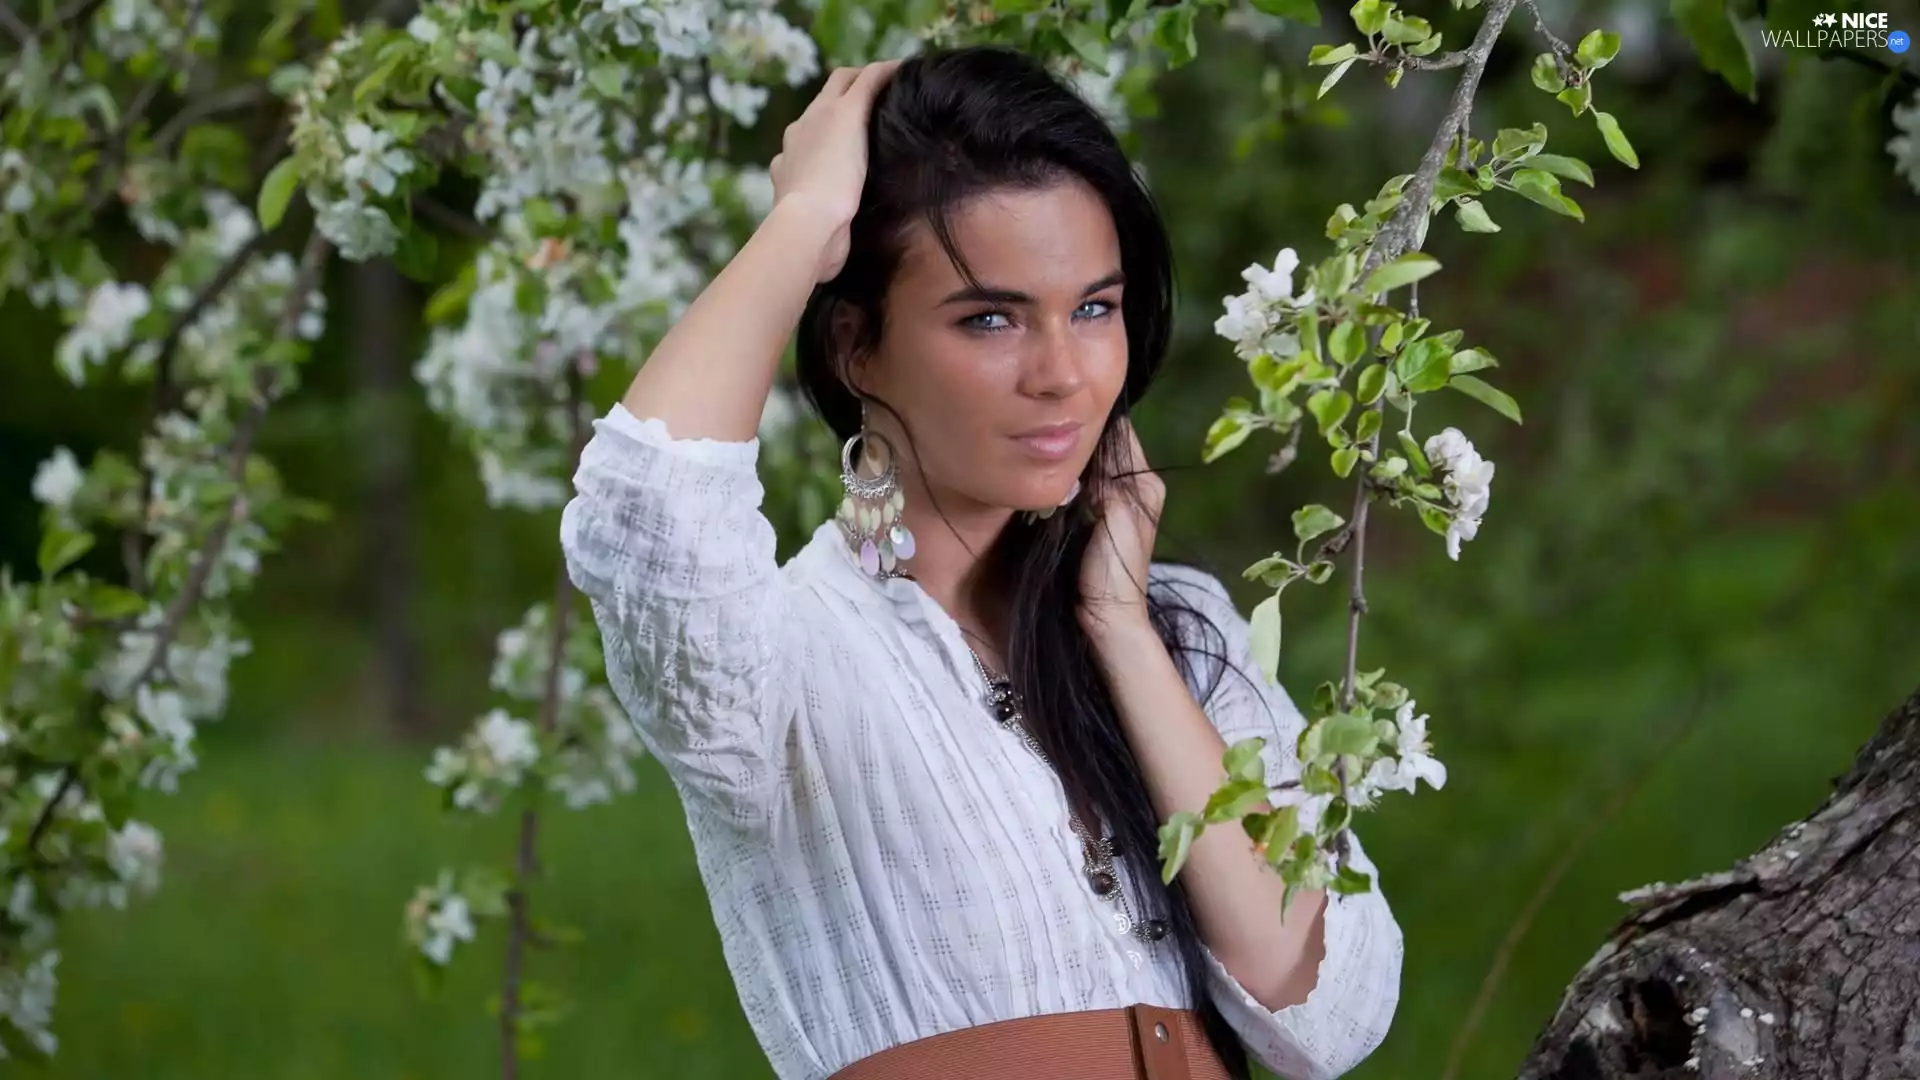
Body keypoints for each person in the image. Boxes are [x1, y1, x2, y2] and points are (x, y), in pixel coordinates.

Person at [560, 45, 1402, 1080]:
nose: (1062, 374)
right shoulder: (780, 661)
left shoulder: (1180, 627)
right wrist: (802, 221)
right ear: (855, 347)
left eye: (1094, 308)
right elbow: (648, 513)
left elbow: (1317, 1010)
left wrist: (1118, 628)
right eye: (990, 319)